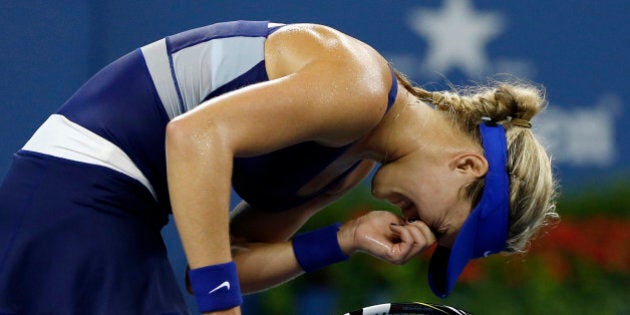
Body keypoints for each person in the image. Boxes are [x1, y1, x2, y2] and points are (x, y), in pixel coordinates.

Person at [0, 20, 558, 314]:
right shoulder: (360, 87)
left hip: (100, 209)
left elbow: (224, 267)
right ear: (465, 165)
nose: (419, 231)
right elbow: (195, 135)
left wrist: (344, 238)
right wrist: (223, 311)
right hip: (81, 190)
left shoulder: (343, 168)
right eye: (442, 227)